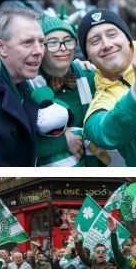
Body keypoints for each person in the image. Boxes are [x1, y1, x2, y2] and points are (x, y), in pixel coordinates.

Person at [78, 9, 136, 167]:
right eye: (95, 41)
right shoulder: (100, 102)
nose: (107, 45)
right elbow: (104, 134)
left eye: (112, 34)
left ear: (128, 38)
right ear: (87, 55)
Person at [29, 14, 106, 167]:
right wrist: (63, 142)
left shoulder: (89, 75)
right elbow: (18, 144)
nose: (63, 48)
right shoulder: (29, 85)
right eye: (52, 43)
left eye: (67, 41)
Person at [0, 6, 44, 166]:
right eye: (27, 43)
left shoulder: (24, 79)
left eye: (41, 42)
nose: (39, 51)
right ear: (1, 47)